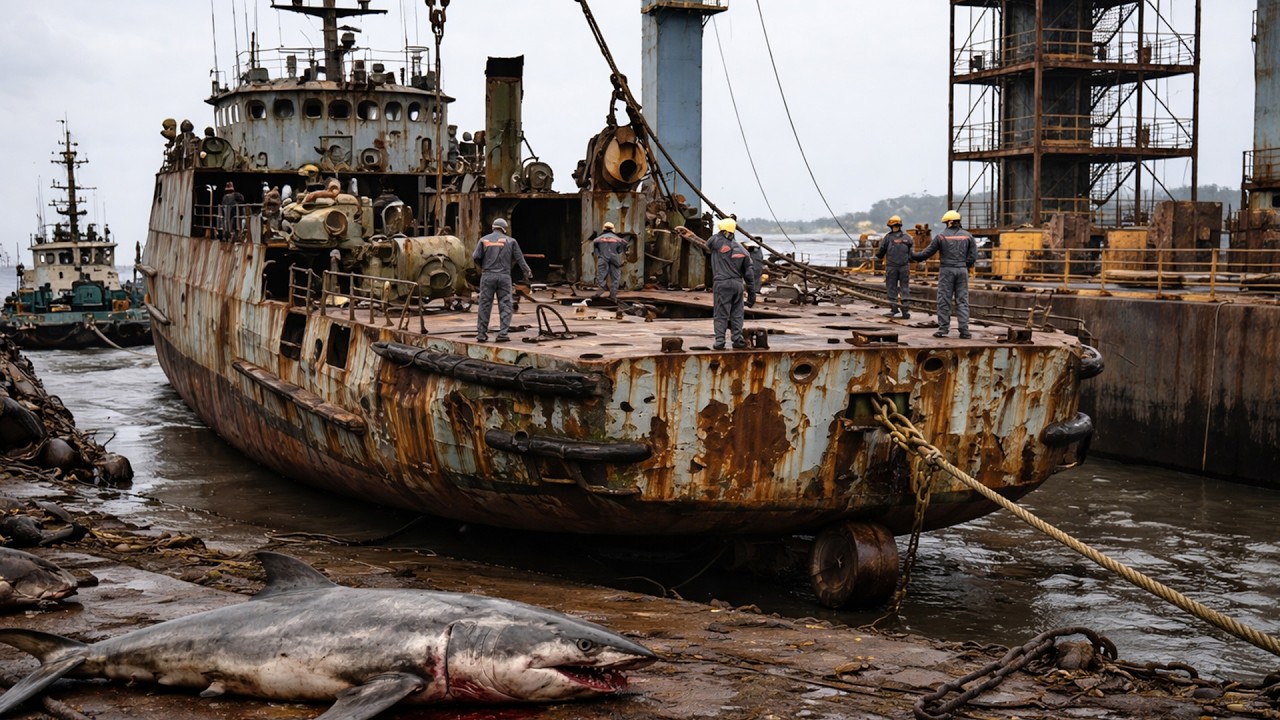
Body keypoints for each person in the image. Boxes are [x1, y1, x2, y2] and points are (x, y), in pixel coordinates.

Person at [911, 210, 977, 338]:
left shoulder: (941, 236)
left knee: (944, 300)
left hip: (947, 270)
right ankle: (964, 331)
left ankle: (943, 329)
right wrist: (963, 266)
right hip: (962, 270)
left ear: (948, 222)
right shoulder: (968, 236)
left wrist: (912, 255)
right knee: (962, 300)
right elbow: (973, 257)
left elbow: (926, 254)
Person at [472, 217, 532, 343]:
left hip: (487, 275)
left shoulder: (483, 240)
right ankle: (503, 334)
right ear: (504, 229)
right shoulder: (511, 241)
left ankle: (482, 334)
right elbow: (520, 259)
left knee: (484, 304)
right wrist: (527, 272)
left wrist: (483, 266)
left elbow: (476, 256)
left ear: (493, 227)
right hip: (504, 276)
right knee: (505, 304)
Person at [707, 217, 752, 350]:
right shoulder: (743, 250)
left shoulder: (716, 241)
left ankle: (720, 341)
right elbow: (749, 274)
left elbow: (708, 243)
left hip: (722, 283)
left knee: (721, 313)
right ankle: (737, 339)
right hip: (738, 285)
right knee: (737, 313)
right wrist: (752, 295)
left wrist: (721, 233)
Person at [876, 215, 913, 319]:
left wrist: (878, 256)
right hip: (904, 267)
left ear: (890, 226)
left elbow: (880, 252)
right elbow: (912, 253)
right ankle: (905, 310)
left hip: (892, 267)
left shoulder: (887, 238)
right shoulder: (907, 237)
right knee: (904, 288)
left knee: (892, 288)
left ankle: (894, 309)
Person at [591, 221, 628, 300]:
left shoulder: (598, 239)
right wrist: (619, 251)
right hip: (614, 258)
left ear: (604, 229)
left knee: (601, 275)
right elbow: (624, 244)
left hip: (603, 258)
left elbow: (595, 246)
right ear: (613, 229)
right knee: (615, 277)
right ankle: (613, 295)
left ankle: (602, 289)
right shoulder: (618, 239)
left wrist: (599, 253)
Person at [739, 235, 764, 308]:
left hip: (755, 267)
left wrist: (742, 244)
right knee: (754, 282)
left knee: (752, 283)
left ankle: (751, 299)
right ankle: (753, 297)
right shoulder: (757, 249)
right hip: (756, 267)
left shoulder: (755, 248)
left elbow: (747, 248)